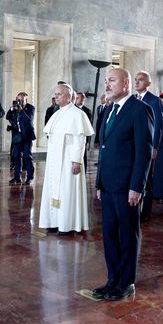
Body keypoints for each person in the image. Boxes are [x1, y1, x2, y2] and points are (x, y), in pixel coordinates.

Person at [92, 67, 153, 302]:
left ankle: (126, 282)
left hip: (127, 186)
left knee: (127, 235)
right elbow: (105, 150)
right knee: (109, 235)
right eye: (106, 81)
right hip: (107, 185)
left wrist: (137, 186)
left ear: (126, 83)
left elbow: (143, 153)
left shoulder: (140, 110)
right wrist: (99, 183)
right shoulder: (109, 110)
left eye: (112, 80)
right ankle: (112, 279)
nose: (107, 84)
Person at [38, 83, 94, 235]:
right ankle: (54, 222)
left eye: (59, 94)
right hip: (55, 160)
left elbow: (80, 139)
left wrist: (77, 160)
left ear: (69, 97)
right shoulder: (56, 113)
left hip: (69, 160)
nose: (55, 97)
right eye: (55, 94)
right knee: (53, 190)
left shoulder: (78, 114)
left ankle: (67, 224)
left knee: (67, 191)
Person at [133, 71, 163, 222]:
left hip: (149, 147)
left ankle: (145, 213)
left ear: (148, 83)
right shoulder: (132, 99)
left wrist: (155, 147)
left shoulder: (154, 100)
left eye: (141, 80)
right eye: (136, 80)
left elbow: (158, 126)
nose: (137, 82)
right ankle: (134, 209)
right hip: (134, 147)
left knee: (147, 180)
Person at [5, 92, 36, 184]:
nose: (20, 102)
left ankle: (29, 177)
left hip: (27, 136)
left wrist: (21, 110)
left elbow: (29, 120)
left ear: (26, 100)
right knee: (16, 157)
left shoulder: (30, 108)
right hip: (17, 137)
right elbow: (7, 117)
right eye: (19, 100)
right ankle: (17, 177)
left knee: (27, 156)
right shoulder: (15, 108)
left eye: (22, 100)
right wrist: (11, 109)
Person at [74, 92, 93, 171]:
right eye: (76, 98)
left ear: (83, 99)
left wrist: (87, 139)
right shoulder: (73, 109)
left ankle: (83, 171)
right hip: (74, 135)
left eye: (78, 98)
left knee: (83, 154)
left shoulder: (87, 111)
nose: (76, 99)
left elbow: (88, 126)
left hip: (83, 136)